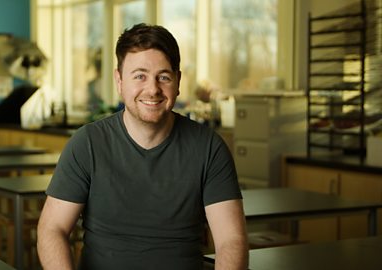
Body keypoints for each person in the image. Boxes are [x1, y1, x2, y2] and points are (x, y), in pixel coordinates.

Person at [37, 23, 249, 270]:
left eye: (164, 77)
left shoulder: (209, 148)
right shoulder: (87, 144)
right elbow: (52, 229)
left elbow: (231, 241)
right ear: (119, 80)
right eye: (140, 76)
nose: (153, 89)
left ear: (178, 81)